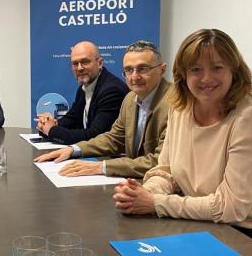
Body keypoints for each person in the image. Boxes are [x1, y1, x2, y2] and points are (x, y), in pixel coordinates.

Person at [113, 29, 252, 256]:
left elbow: (230, 208)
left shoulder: (251, 118)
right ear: (183, 75)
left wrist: (155, 203)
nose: (206, 78)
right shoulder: (181, 108)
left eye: (217, 67)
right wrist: (143, 194)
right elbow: (166, 170)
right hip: (204, 223)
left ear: (234, 71)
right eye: (196, 69)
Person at [35, 41, 171, 178]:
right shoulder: (130, 98)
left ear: (162, 70)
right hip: (135, 182)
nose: (134, 77)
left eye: (143, 69)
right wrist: (73, 150)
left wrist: (102, 166)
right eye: (129, 70)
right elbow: (114, 138)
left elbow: (160, 162)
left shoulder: (176, 104)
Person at [37, 41, 128, 144]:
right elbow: (72, 119)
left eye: (85, 62)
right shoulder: (84, 87)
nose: (79, 68)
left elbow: (96, 136)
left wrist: (52, 130)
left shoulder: (112, 91)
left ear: (99, 63)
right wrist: (49, 124)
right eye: (75, 63)